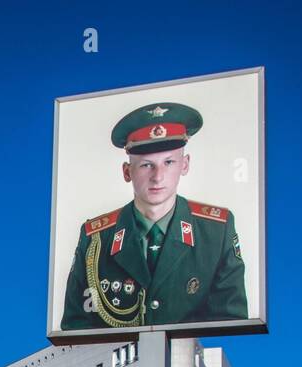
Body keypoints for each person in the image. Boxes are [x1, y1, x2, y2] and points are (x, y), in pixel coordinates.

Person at [60, 102, 247, 332]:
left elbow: (232, 326)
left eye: (169, 162)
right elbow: (75, 328)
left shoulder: (216, 232)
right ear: (127, 172)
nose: (158, 177)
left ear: (185, 165)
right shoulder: (96, 238)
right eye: (146, 165)